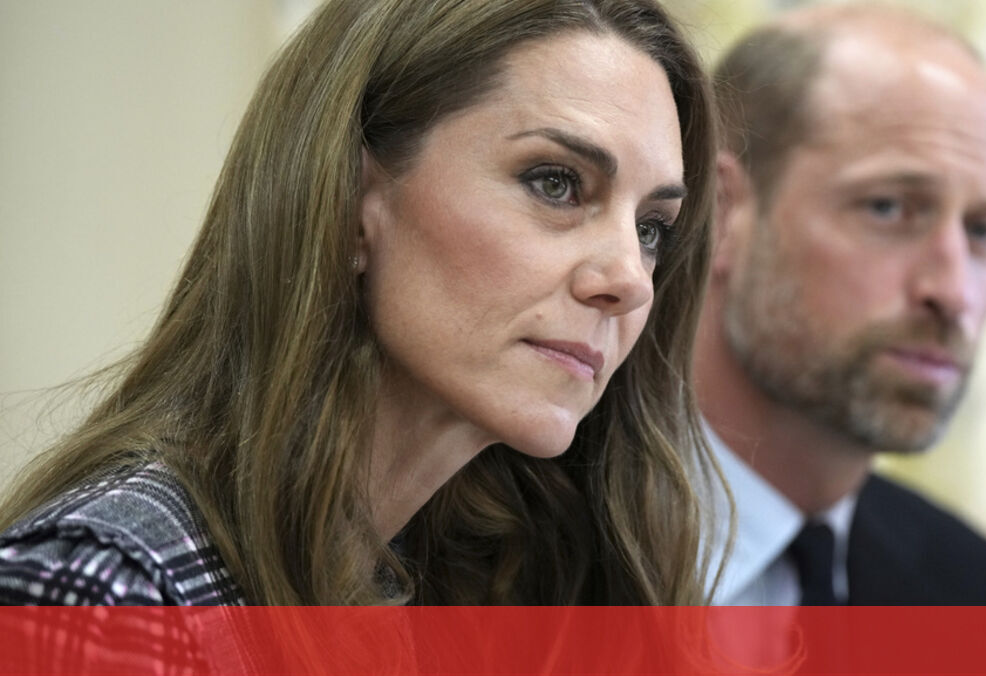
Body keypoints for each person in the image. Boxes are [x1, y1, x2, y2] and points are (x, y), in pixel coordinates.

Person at [0, 0, 723, 606]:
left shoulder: (474, 593)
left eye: (651, 228)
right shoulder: (105, 593)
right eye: (555, 183)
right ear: (349, 201)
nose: (630, 279)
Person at [696, 3, 986, 605]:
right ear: (719, 214)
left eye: (982, 231)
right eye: (888, 208)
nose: (954, 293)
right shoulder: (525, 552)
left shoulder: (968, 585)